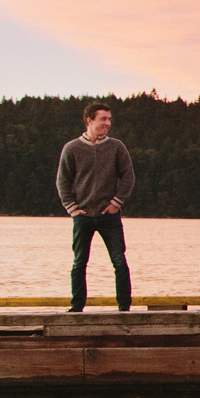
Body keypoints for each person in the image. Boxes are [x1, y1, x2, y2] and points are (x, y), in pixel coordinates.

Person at [56, 103, 136, 311]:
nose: (108, 123)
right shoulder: (72, 148)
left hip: (109, 215)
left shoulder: (116, 147)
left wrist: (116, 203)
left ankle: (124, 308)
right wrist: (72, 208)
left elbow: (128, 176)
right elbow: (62, 180)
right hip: (82, 216)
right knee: (79, 263)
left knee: (119, 262)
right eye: (103, 119)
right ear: (89, 120)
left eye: (109, 119)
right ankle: (76, 307)